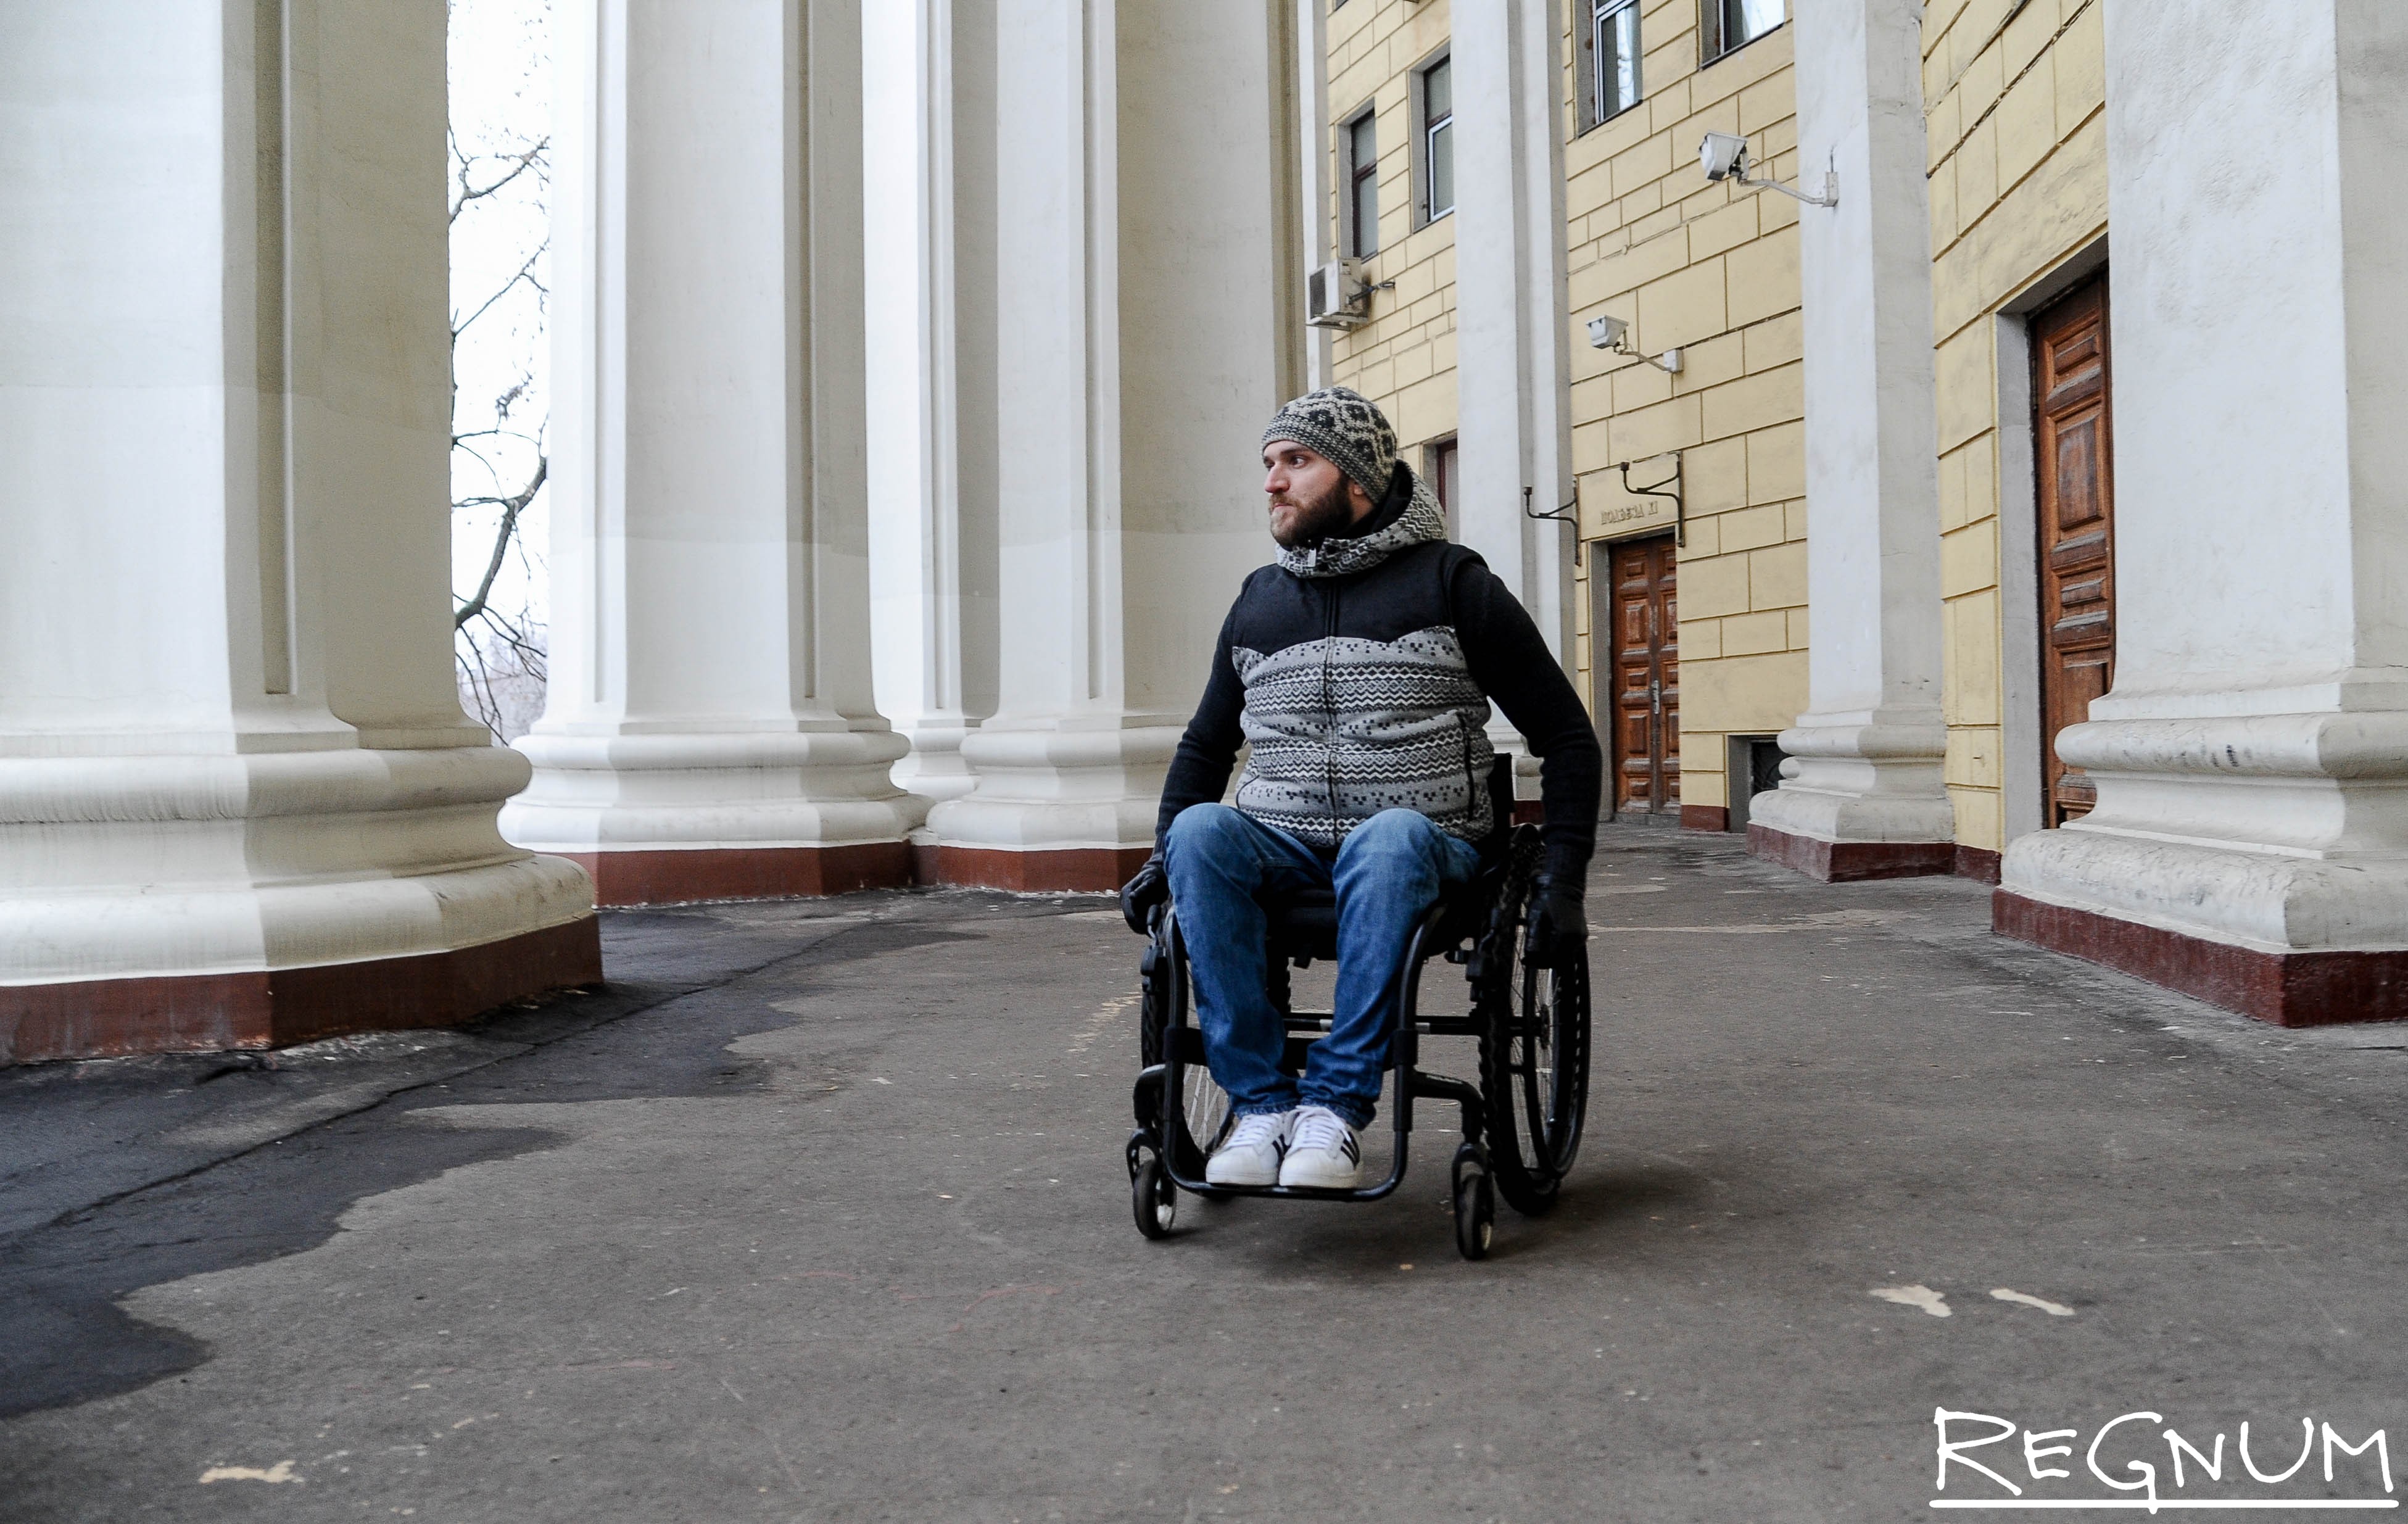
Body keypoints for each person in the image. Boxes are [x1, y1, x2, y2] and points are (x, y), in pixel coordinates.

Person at [1119, 387, 1601, 1190]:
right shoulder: (1258, 602)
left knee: (1390, 835)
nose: (1272, 481)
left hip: (1428, 846)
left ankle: (1337, 1109)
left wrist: (1564, 883)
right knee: (1202, 833)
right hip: (1285, 845)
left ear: (1358, 482)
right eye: (1268, 463)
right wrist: (1164, 856)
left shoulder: (1455, 584)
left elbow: (1567, 739)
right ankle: (1264, 1106)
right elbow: (1207, 745)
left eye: (1296, 462)